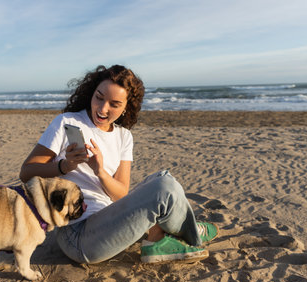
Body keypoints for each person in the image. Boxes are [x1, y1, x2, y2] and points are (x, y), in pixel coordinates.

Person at [19, 65, 219, 264]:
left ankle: (159, 237)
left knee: (163, 178)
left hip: (112, 222)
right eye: (99, 97)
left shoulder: (124, 137)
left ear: (126, 108)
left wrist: (101, 172)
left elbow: (120, 193)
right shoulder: (67, 121)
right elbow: (26, 172)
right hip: (78, 234)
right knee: (163, 190)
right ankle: (186, 231)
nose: (103, 108)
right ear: (91, 93)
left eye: (114, 104)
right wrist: (65, 166)